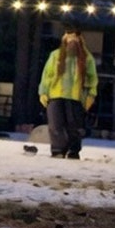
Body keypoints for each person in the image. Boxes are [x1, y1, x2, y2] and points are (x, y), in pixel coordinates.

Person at [38, 29, 98, 159]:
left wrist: (91, 95)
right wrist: (43, 92)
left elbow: (93, 78)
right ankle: (58, 150)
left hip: (76, 97)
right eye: (69, 40)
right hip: (55, 94)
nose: (71, 43)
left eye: (74, 40)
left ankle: (73, 150)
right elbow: (47, 75)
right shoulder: (55, 55)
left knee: (74, 126)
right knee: (55, 124)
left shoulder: (87, 59)